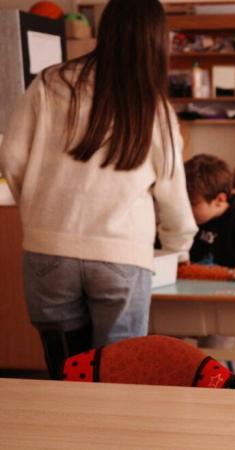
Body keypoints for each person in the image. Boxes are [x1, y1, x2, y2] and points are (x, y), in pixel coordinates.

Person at [0, 0, 197, 379]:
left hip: (49, 249)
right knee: (117, 375)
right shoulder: (153, 108)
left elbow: (11, 156)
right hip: (122, 257)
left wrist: (39, 207)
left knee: (64, 372)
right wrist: (178, 246)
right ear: (158, 41)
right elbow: (173, 193)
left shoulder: (49, 82)